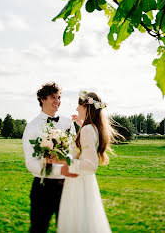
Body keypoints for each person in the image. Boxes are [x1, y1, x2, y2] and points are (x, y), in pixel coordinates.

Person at [48, 91, 120, 233]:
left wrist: (62, 161)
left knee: (77, 223)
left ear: (86, 108)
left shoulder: (87, 130)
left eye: (78, 106)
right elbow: (85, 150)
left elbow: (90, 166)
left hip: (78, 183)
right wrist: (80, 124)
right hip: (84, 183)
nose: (76, 109)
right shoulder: (92, 128)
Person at [22, 82, 76, 233]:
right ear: (42, 99)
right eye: (53, 97)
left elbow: (73, 152)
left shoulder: (67, 123)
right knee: (38, 228)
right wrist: (48, 165)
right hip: (42, 187)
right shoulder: (32, 126)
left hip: (67, 187)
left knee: (67, 229)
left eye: (59, 98)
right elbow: (30, 162)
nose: (57, 101)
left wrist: (67, 166)